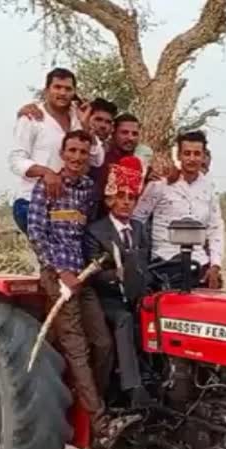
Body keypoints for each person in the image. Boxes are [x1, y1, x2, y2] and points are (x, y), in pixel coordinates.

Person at [27, 129, 139, 449]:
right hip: (58, 276)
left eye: (83, 152)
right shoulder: (45, 187)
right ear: (62, 153)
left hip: (84, 275)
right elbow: (36, 234)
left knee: (102, 343)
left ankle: (92, 399)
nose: (77, 157)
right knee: (77, 348)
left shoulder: (89, 189)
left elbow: (92, 225)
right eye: (72, 151)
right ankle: (99, 421)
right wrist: (61, 272)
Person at [84, 162, 153, 408]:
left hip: (136, 295)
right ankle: (132, 388)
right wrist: (117, 275)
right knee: (124, 319)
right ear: (111, 199)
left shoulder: (139, 228)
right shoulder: (96, 231)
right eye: (121, 196)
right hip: (107, 300)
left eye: (132, 197)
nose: (126, 202)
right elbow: (92, 274)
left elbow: (147, 263)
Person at [8, 68, 105, 234]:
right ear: (47, 90)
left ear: (74, 92)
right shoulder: (32, 118)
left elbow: (97, 160)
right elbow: (16, 160)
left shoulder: (79, 117)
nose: (62, 93)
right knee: (51, 255)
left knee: (69, 256)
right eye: (57, 87)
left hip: (68, 204)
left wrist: (86, 125)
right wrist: (46, 173)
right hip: (32, 200)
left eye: (68, 89)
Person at [133, 131, 224, 289]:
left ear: (203, 157)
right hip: (163, 264)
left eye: (197, 154)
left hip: (199, 263)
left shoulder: (209, 188)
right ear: (179, 155)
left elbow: (215, 228)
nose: (192, 158)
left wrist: (215, 265)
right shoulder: (161, 184)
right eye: (187, 153)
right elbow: (137, 219)